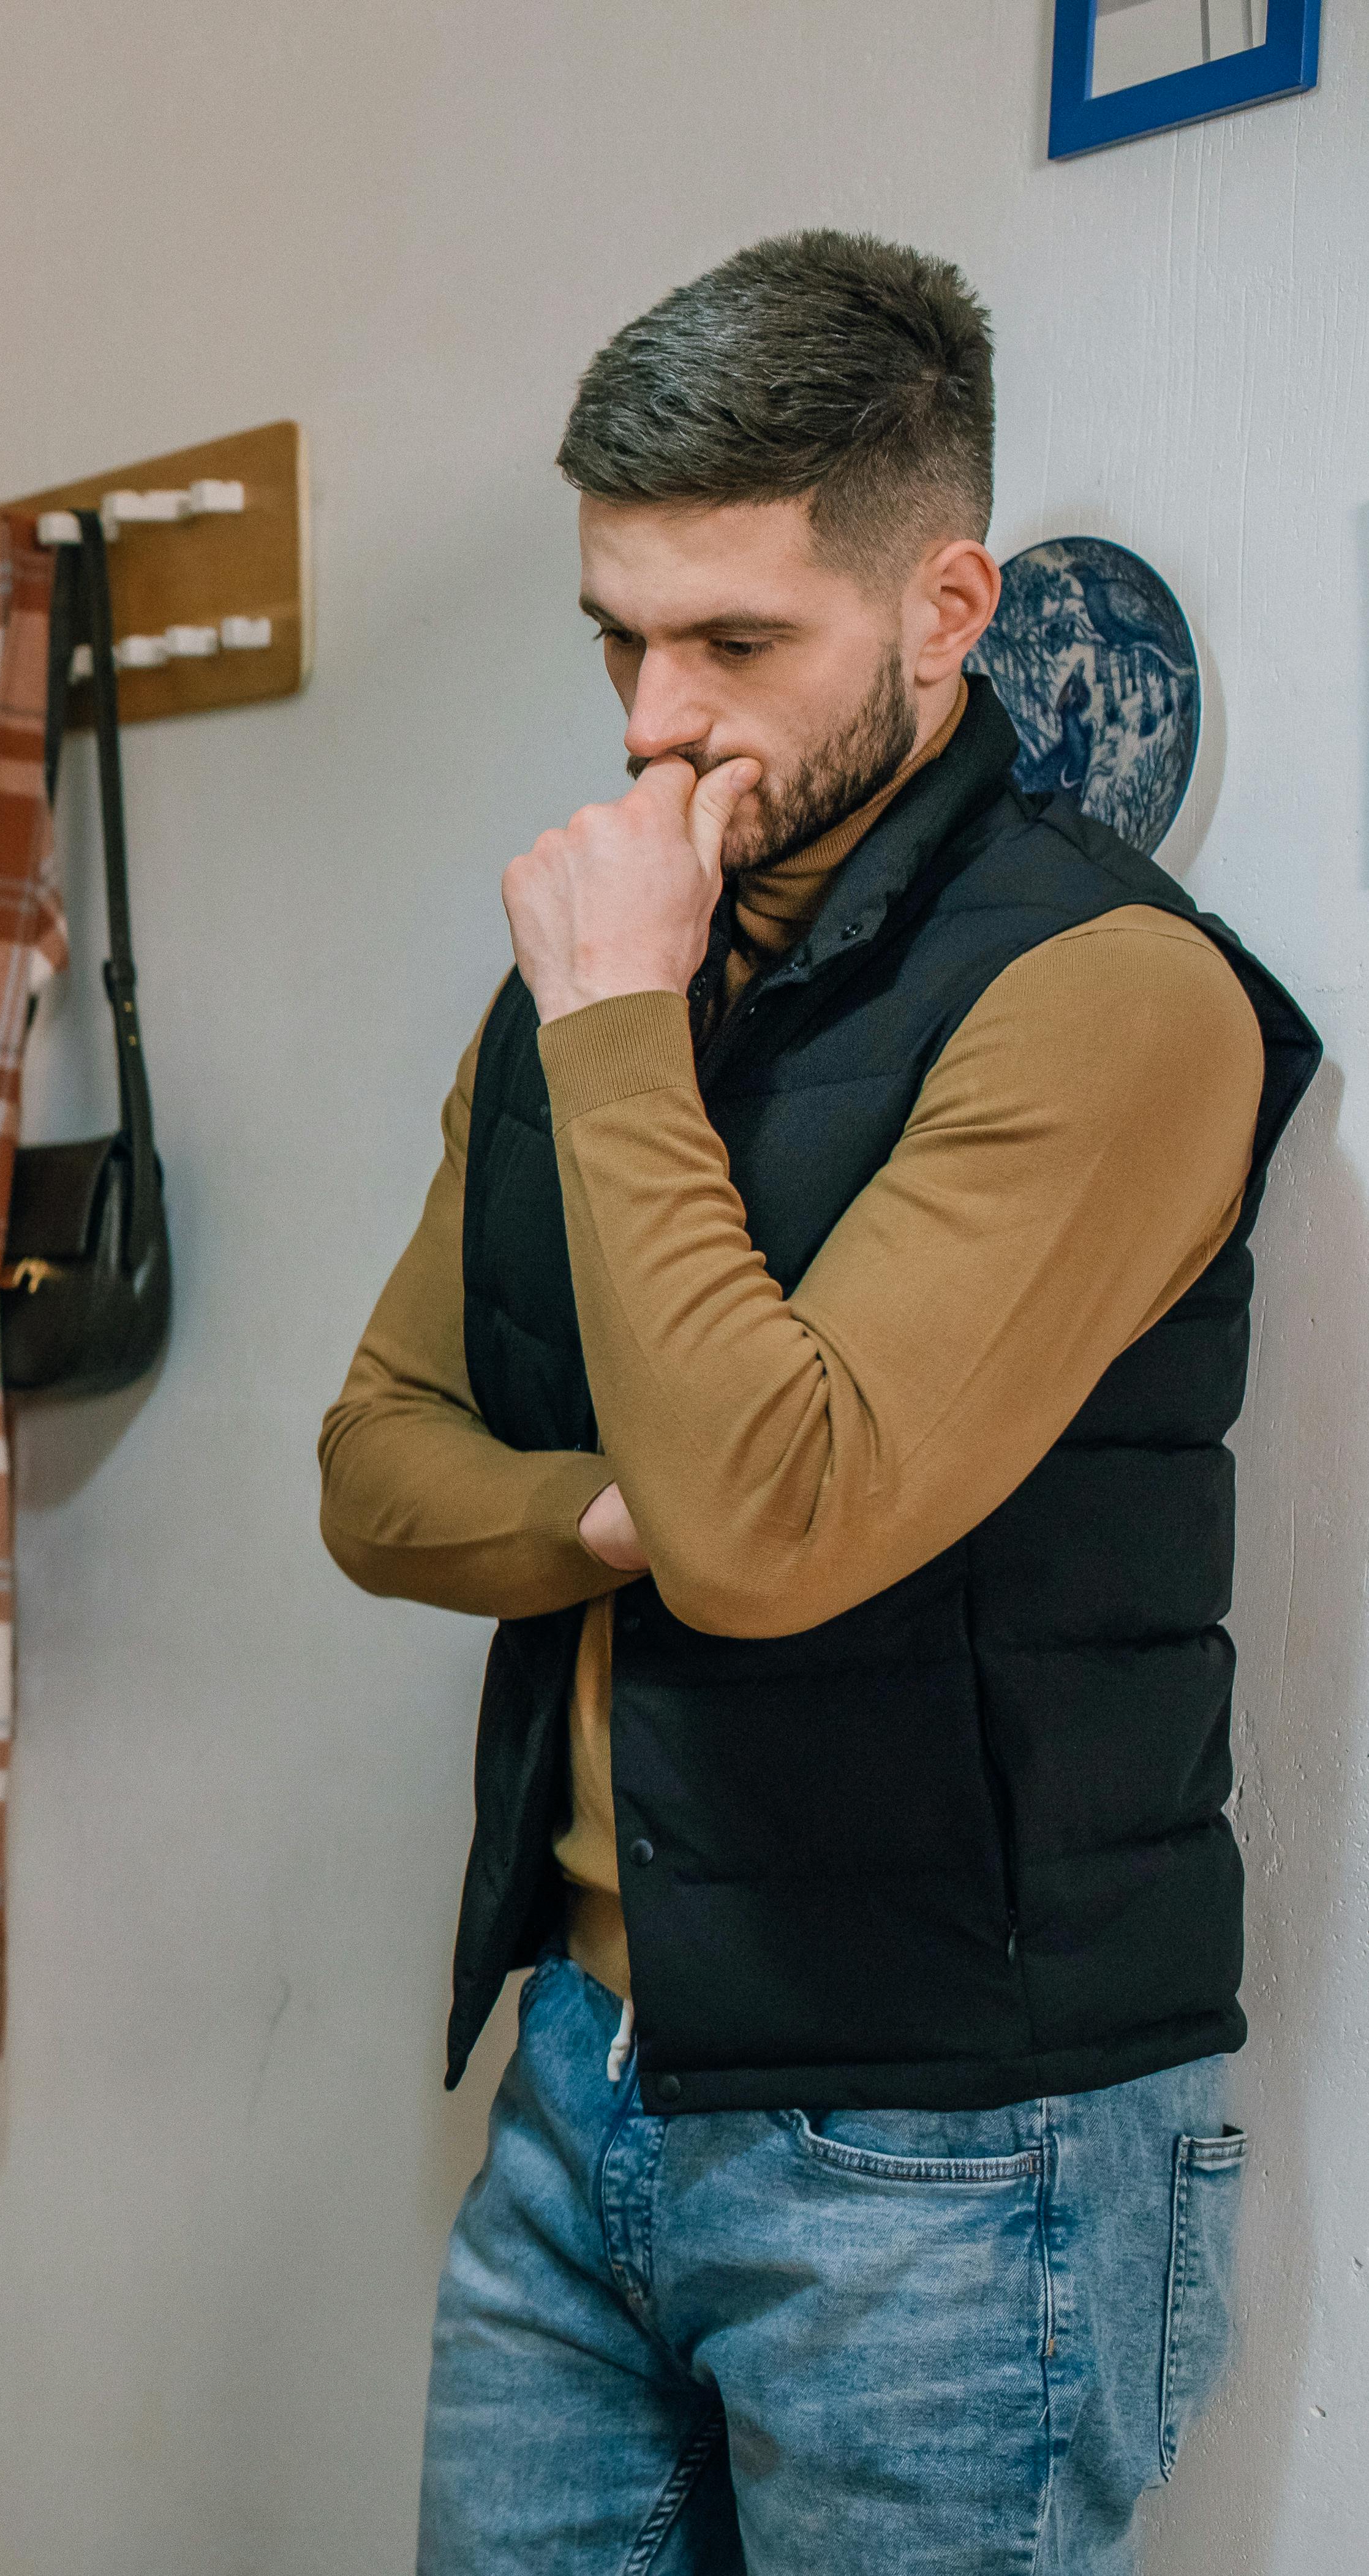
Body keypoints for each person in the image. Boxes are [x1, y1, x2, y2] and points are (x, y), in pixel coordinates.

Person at [319, 234, 1320, 2571]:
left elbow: (771, 1538)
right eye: (617, 639)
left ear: (943, 608)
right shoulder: (608, 967)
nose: (651, 724)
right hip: (591, 2060)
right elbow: (373, 1468)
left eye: (735, 646)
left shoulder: (1109, 995)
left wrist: (611, 1034)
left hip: (951, 2144)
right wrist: (618, 1514)